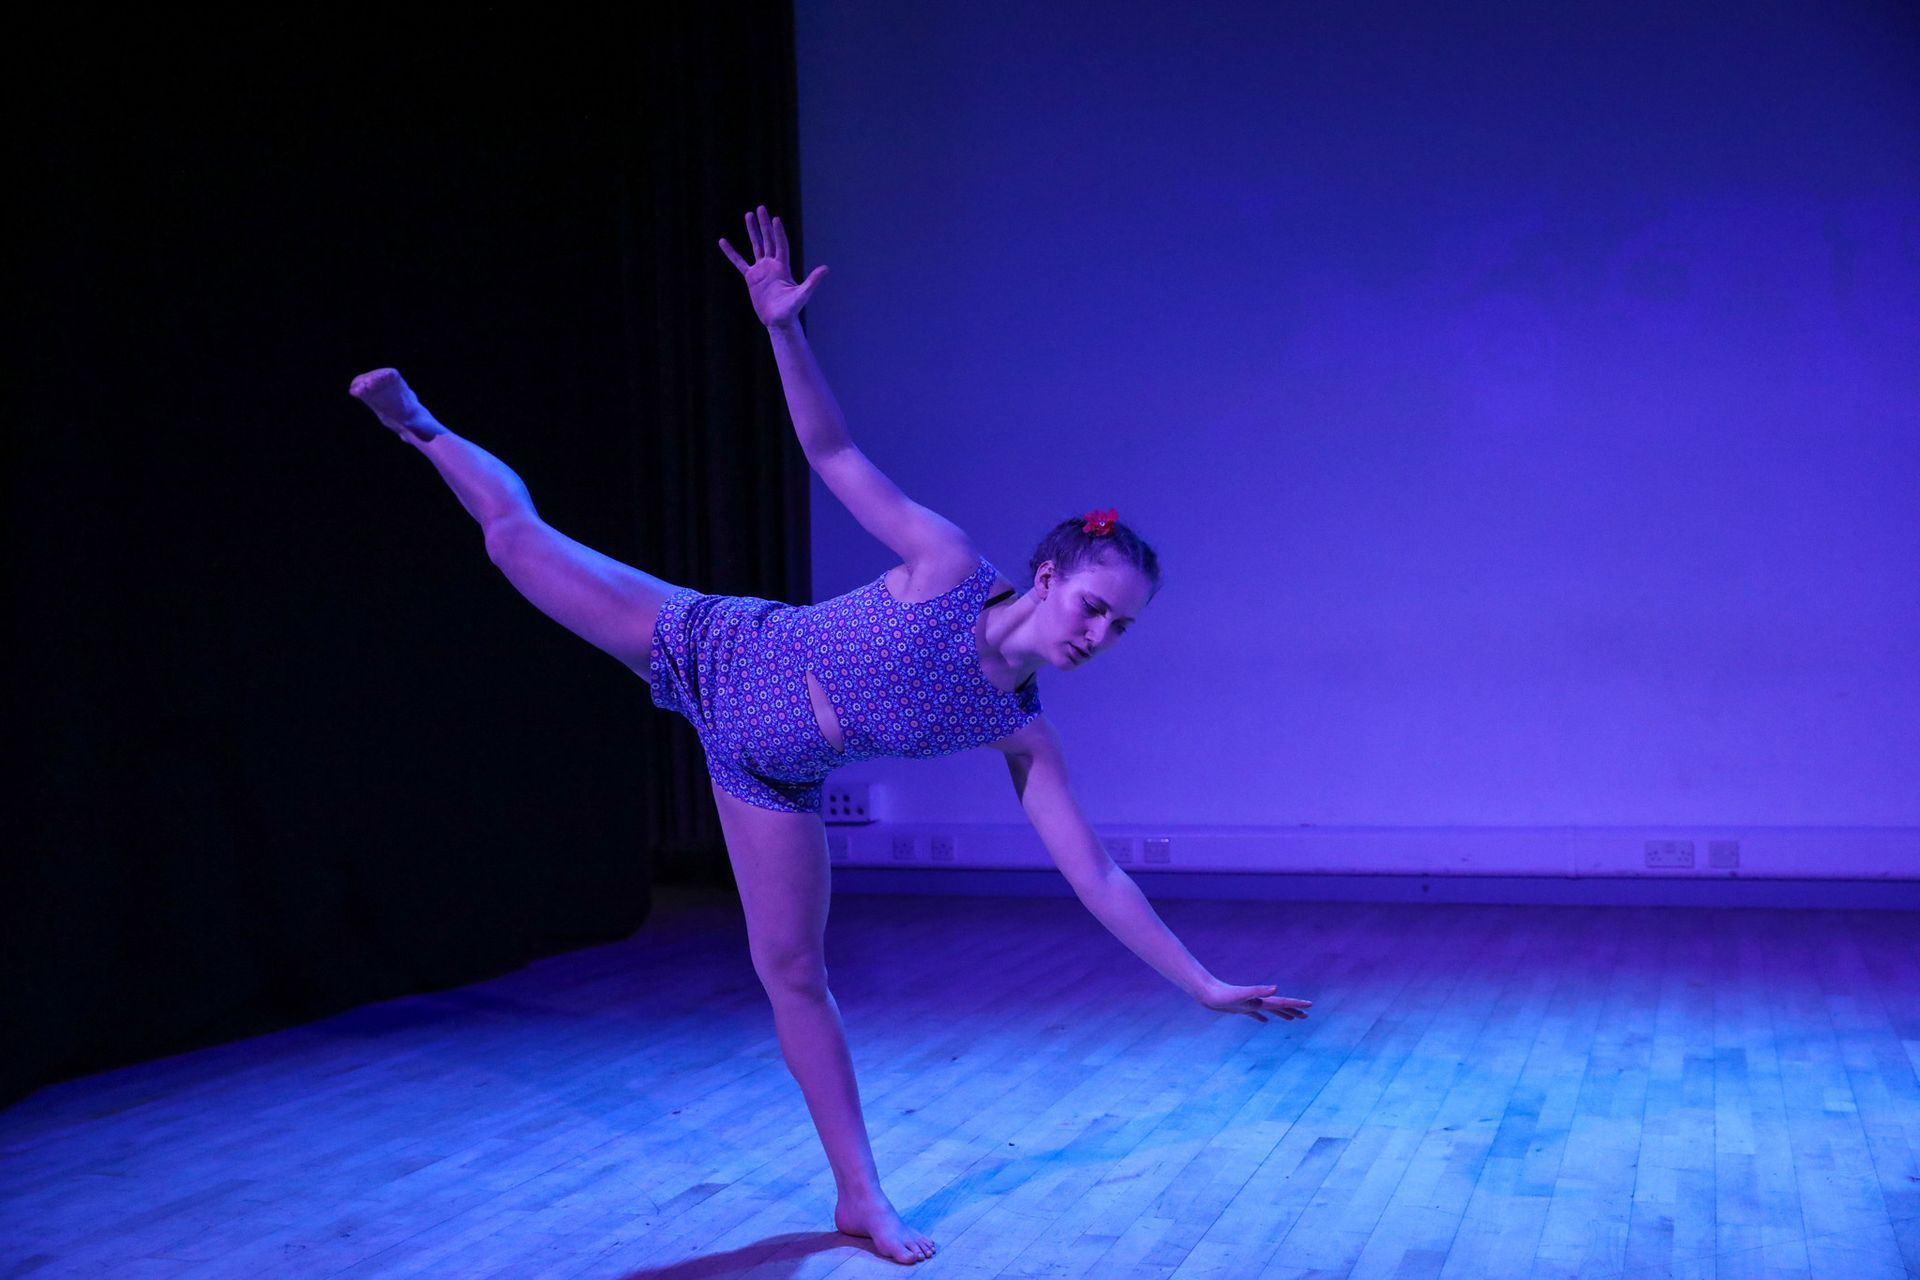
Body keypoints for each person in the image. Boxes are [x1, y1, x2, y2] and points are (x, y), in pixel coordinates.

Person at [347, 203, 1310, 1267]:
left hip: (765, 771)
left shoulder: (1020, 727)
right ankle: (423, 428)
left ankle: (860, 1197)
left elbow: (1098, 877)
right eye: (1093, 607)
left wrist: (1202, 980)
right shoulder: (945, 564)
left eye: (1120, 627)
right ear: (1048, 576)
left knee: (793, 969)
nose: (1101, 635)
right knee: (516, 543)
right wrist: (781, 325)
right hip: (714, 648)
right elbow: (832, 447)